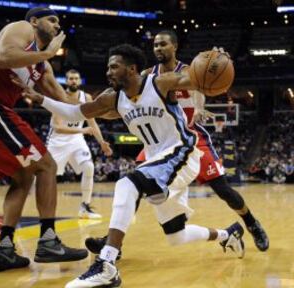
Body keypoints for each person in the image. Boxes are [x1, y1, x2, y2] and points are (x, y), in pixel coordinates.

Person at [15, 44, 245, 288]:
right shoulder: (112, 99)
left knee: (127, 183)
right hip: (158, 161)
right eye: (107, 68)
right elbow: (75, 113)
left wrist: (216, 62)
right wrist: (40, 99)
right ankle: (228, 234)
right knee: (177, 235)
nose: (108, 72)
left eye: (114, 66)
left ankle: (107, 264)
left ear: (132, 69)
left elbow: (195, 79)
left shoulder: (160, 83)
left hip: (182, 152)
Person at [85, 30, 269, 257]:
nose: (158, 49)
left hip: (192, 136)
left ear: (175, 47)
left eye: (163, 44)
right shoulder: (147, 75)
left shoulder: (189, 70)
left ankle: (251, 223)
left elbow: (201, 88)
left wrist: (199, 107)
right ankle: (112, 242)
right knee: (135, 184)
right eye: (155, 45)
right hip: (160, 141)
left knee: (222, 189)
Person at [0, 7, 88, 271]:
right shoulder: (22, 28)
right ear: (35, 21)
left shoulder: (42, 66)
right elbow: (3, 58)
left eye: (59, 22)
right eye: (52, 20)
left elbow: (67, 103)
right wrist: (49, 52)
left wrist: (111, 105)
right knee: (47, 165)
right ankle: (48, 241)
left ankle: (4, 248)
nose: (57, 25)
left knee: (23, 176)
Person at [47, 69, 112, 219]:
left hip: (76, 140)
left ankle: (85, 207)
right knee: (47, 177)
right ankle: (45, 209)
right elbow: (57, 127)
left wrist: (102, 142)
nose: (73, 81)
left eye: (76, 78)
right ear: (66, 81)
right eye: (70, 79)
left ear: (80, 81)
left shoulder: (86, 97)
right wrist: (81, 130)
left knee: (88, 167)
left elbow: (92, 122)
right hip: (57, 141)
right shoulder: (59, 97)